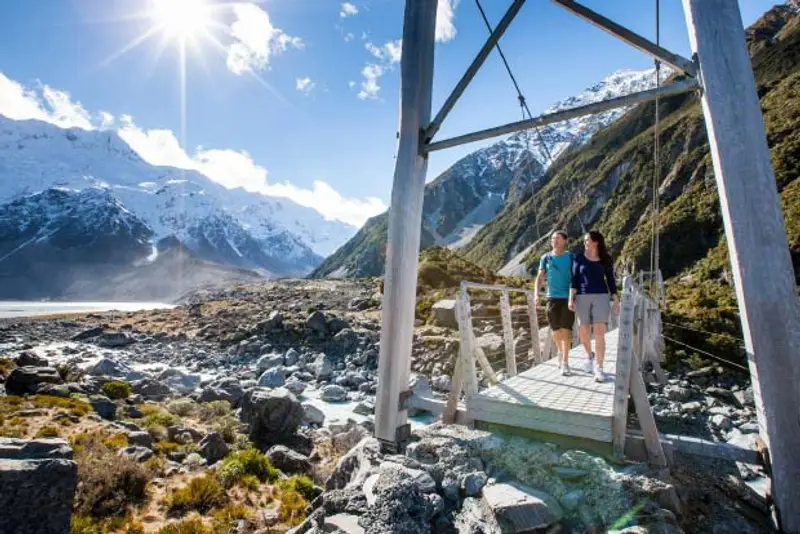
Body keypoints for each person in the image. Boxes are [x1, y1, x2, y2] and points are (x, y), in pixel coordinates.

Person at [568, 230, 620, 382]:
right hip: (582, 296)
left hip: (601, 296)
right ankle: (589, 356)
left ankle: (599, 368)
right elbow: (574, 280)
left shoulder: (605, 259)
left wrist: (616, 300)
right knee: (583, 330)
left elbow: (611, 280)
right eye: (584, 240)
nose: (584, 243)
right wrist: (571, 298)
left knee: (599, 333)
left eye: (587, 240)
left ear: (596, 242)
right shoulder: (578, 258)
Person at [535, 230, 575, 376]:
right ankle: (560, 351)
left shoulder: (571, 257)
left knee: (566, 329)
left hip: (568, 297)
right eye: (552, 239)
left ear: (565, 241)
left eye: (557, 238)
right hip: (551, 298)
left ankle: (565, 362)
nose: (554, 241)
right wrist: (536, 294)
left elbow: (576, 277)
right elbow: (540, 277)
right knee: (555, 331)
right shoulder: (545, 258)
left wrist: (573, 296)